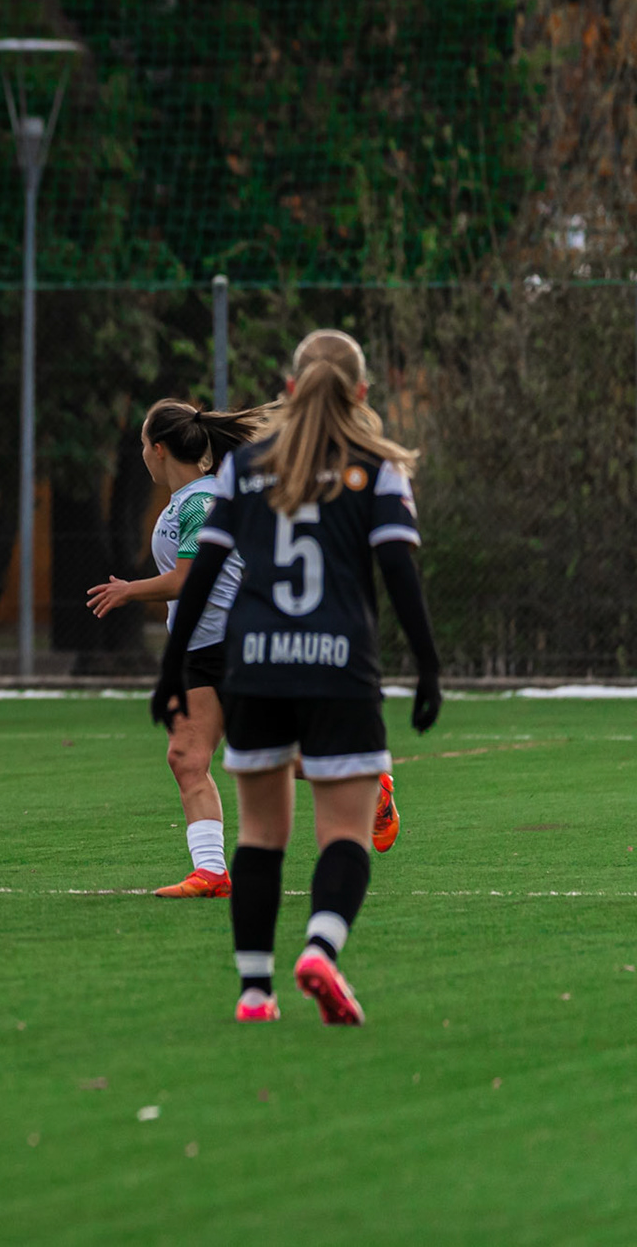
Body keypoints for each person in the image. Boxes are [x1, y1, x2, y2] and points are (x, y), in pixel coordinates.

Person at [152, 329, 443, 1025]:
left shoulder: (247, 468)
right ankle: (319, 948)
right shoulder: (376, 468)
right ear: (363, 394)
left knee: (259, 835)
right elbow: (399, 574)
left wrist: (170, 664)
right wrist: (429, 667)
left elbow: (205, 575)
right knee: (342, 832)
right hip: (340, 666)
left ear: (289, 390)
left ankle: (255, 993)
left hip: (255, 666)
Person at [88, 399, 267, 898]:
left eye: (143, 445)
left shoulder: (201, 502)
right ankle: (210, 871)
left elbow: (190, 579)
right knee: (187, 757)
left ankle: (369, 783)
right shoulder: (186, 499)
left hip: (233, 646)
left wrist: (128, 590)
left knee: (265, 759)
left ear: (159, 449)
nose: (142, 454)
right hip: (199, 648)